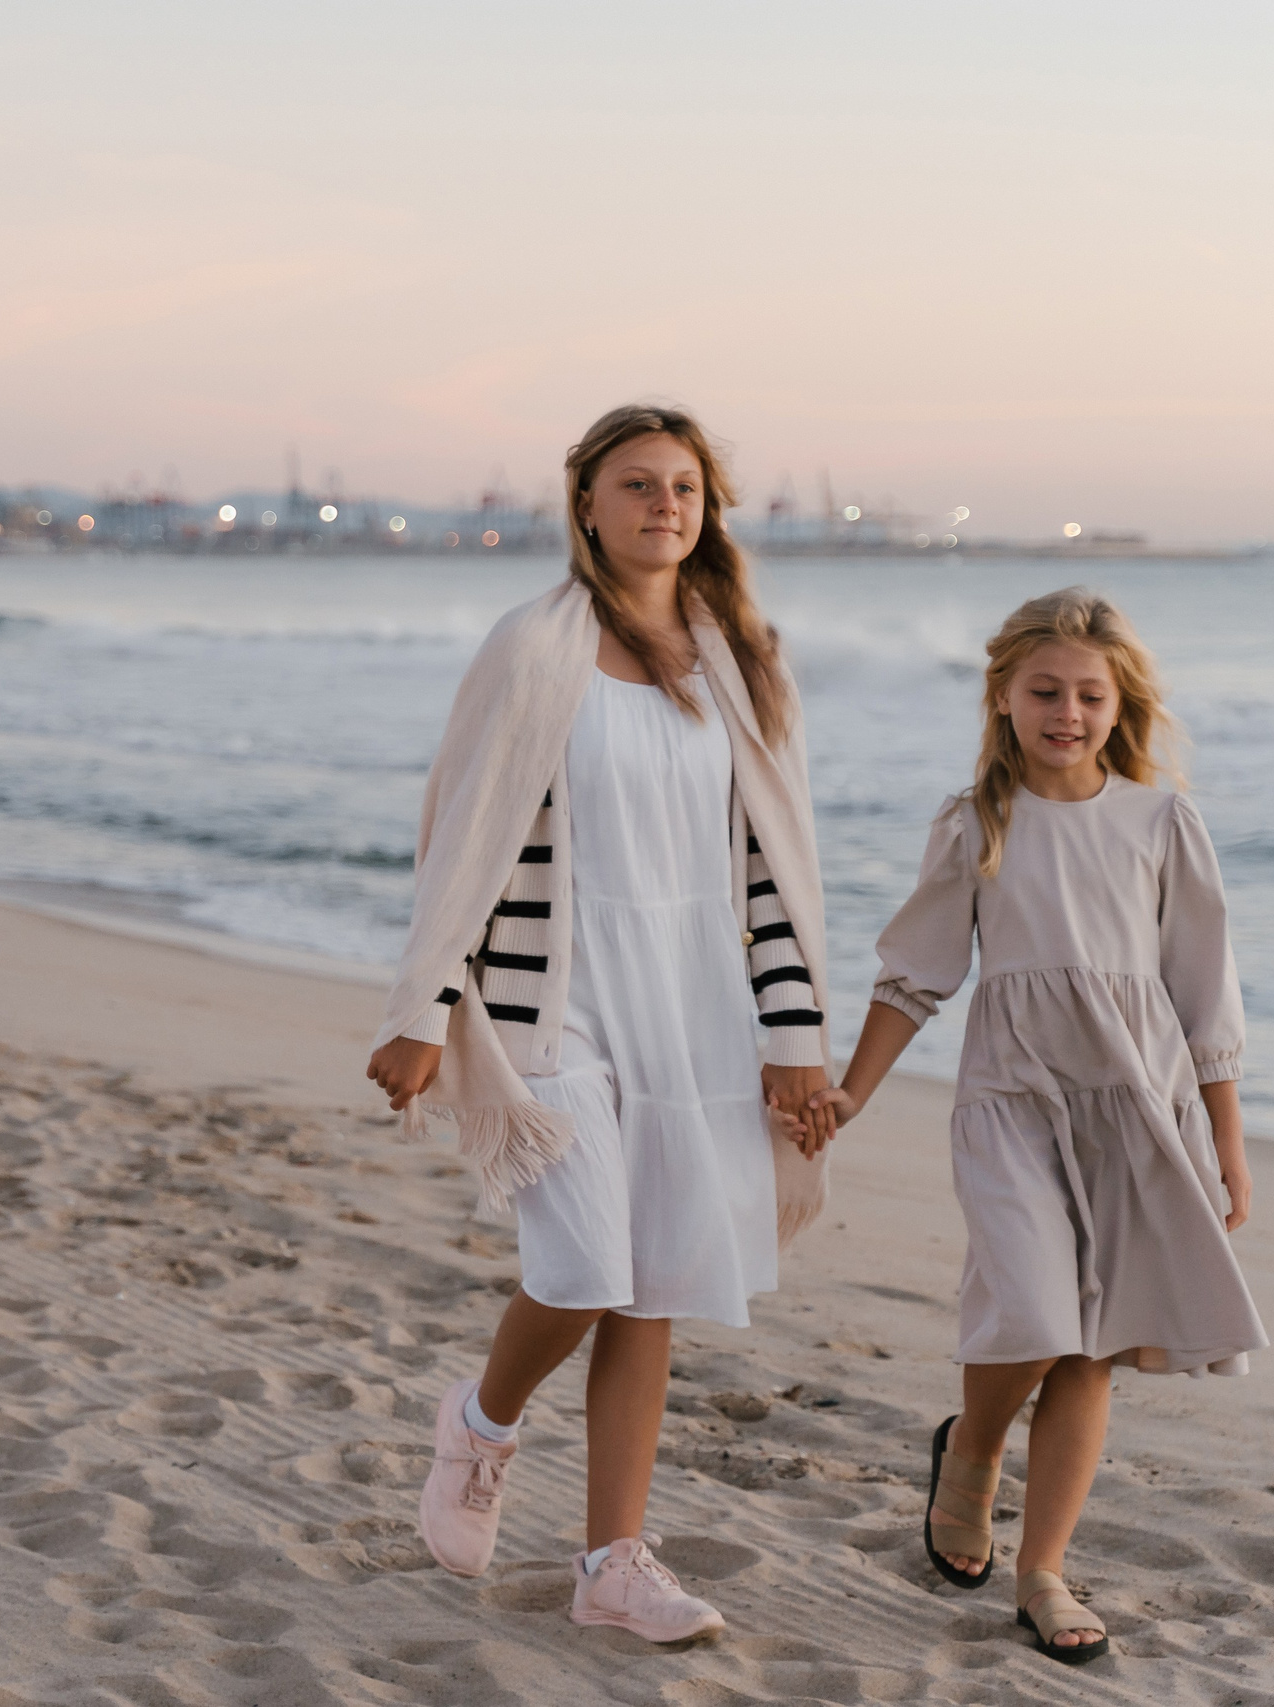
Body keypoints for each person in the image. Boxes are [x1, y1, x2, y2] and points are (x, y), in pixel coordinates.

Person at [365, 404, 838, 1645]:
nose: (663, 506)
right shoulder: (532, 649)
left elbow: (775, 869)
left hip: (694, 1004)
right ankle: (479, 1426)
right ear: (586, 506)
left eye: (683, 487)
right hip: (553, 1004)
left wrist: (794, 1034)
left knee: (653, 1289)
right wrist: (424, 1011)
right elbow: (463, 842)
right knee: (582, 1267)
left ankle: (611, 1566)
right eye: (637, 486)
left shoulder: (738, 657)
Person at [809, 588, 1267, 1666]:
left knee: (1093, 1346)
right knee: (1034, 1307)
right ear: (1003, 697)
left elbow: (1205, 992)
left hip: (1135, 1108)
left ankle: (1042, 1571)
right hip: (1012, 1100)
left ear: (1120, 707)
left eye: (1088, 695)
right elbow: (916, 975)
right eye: (1045, 691)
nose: (1066, 712)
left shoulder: (1161, 823)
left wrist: (1226, 1139)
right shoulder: (977, 821)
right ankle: (972, 1450)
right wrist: (849, 1092)